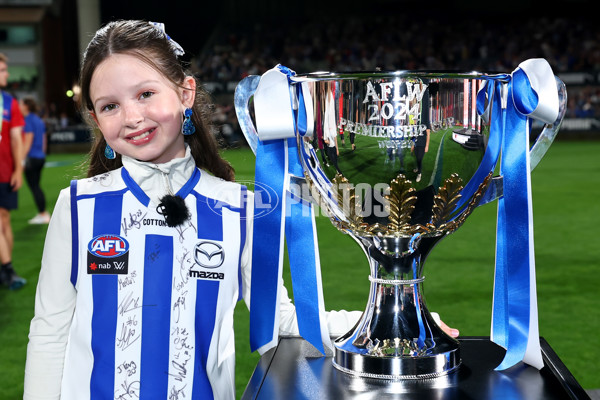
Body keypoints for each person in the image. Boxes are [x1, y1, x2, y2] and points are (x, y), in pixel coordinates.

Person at [23, 20, 366, 400]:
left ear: (185, 93)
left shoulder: (238, 208)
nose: (132, 117)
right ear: (96, 120)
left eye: (146, 94)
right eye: (110, 106)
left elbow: (282, 319)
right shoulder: (77, 206)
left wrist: (391, 323)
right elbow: (49, 332)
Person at [0, 52, 26, 290]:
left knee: (5, 221)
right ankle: (7, 269)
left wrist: (18, 170)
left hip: (5, 171)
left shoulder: (9, 102)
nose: (6, 74)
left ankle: (6, 269)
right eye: (2, 70)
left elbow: (16, 139)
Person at [20, 97, 51, 224]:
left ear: (26, 106)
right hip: (40, 157)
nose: (19, 107)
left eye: (21, 104)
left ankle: (43, 214)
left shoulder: (27, 120)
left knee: (34, 187)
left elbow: (28, 141)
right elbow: (44, 140)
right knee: (36, 186)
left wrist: (21, 160)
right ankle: (43, 213)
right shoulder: (38, 120)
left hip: (31, 158)